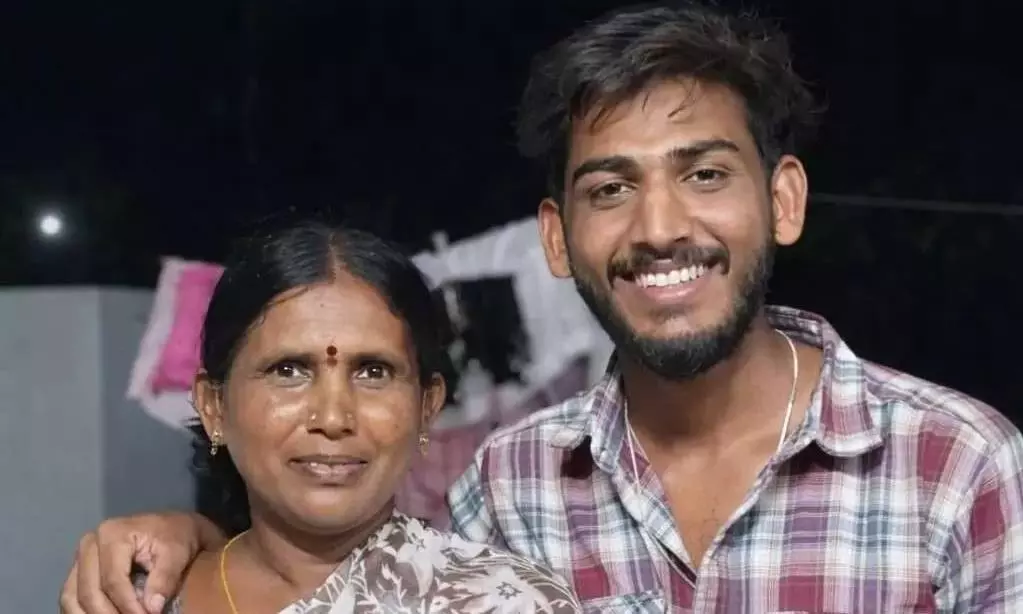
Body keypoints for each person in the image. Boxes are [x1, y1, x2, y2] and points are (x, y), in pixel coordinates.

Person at [62, 3, 1023, 613]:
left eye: (703, 174)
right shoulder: (510, 484)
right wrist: (189, 539)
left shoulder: (959, 467)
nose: (659, 227)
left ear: (782, 200)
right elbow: (335, 567)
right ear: (557, 238)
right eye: (610, 188)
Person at [60, 221, 581, 613]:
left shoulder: (501, 603)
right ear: (214, 406)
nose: (333, 417)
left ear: (426, 407)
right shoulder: (130, 599)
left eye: (373, 371)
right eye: (288, 370)